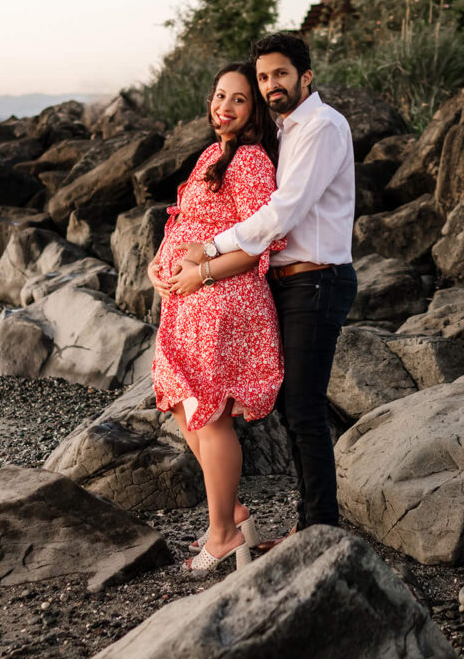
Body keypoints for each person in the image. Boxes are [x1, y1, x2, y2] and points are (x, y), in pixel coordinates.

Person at [175, 33, 357, 543]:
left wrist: (209, 252)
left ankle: (321, 528)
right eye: (263, 77)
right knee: (292, 407)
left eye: (280, 74)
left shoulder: (320, 127)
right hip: (288, 282)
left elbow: (282, 213)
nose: (270, 85)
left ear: (306, 76)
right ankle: (308, 522)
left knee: (303, 408)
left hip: (316, 280)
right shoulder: (282, 132)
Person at [147, 62, 286, 573]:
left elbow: (256, 243)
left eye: (239, 100)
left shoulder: (250, 161)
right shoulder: (213, 153)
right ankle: (233, 512)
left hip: (223, 300)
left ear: (254, 113)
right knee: (187, 409)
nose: (223, 108)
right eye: (219, 96)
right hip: (186, 299)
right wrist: (155, 267)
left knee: (209, 415)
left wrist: (200, 274)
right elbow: (181, 223)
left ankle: (223, 534)